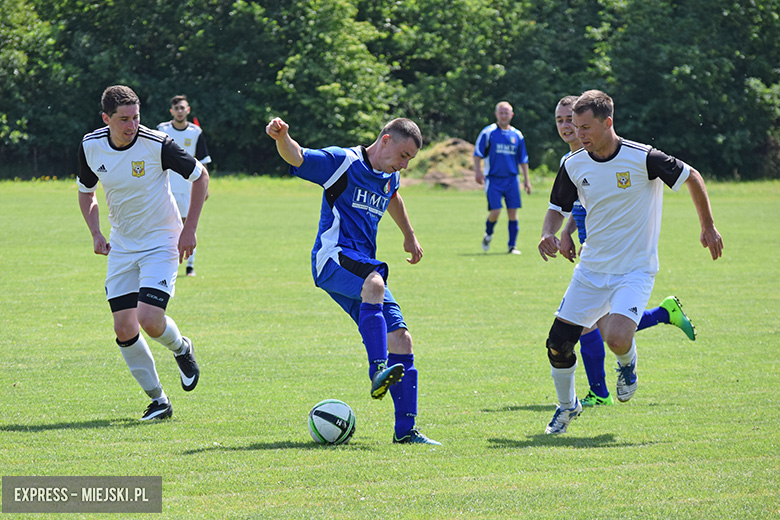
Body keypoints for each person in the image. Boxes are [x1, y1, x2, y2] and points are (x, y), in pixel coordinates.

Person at [538, 90, 723, 434]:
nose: (579, 134)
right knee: (557, 345)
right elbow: (557, 207)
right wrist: (549, 232)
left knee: (618, 338)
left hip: (634, 270)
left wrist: (708, 226)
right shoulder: (573, 164)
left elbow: (692, 177)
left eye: (586, 127)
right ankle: (567, 408)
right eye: (575, 127)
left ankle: (627, 364)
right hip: (591, 271)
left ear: (608, 122)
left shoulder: (643, 158)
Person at [265, 116, 440, 445]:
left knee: (402, 339)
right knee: (375, 283)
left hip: (360, 271)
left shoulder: (389, 177)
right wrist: (282, 137)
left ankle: (406, 432)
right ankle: (377, 370)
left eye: (410, 160)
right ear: (385, 140)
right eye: (403, 155)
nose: (404, 164)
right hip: (332, 259)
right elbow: (298, 156)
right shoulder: (343, 162)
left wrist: (409, 235)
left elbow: (393, 197)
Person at [77, 85, 209, 421]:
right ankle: (159, 401)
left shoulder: (157, 144)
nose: (131, 125)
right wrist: (95, 232)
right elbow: (86, 192)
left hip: (161, 241)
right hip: (122, 245)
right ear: (106, 119)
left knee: (149, 319)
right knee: (124, 328)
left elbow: (200, 176)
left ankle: (182, 348)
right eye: (123, 119)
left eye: (135, 117)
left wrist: (189, 228)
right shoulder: (91, 146)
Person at [157, 95, 212, 277]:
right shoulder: (161, 130)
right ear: (171, 111)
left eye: (182, 108)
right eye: (176, 108)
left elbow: (203, 162)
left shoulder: (196, 132)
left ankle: (190, 266)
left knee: (188, 226)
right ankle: (165, 264)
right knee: (165, 227)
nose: (180, 111)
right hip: (166, 188)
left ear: (188, 110)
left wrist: (205, 187)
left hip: (189, 188)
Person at [473, 101, 531, 254]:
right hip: (493, 179)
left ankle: (512, 246)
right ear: (496, 114)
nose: (504, 115)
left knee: (513, 212)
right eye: (501, 112)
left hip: (512, 179)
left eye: (507, 113)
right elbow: (478, 154)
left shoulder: (517, 135)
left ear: (511, 115)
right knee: (496, 210)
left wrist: (527, 180)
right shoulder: (488, 132)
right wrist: (478, 172)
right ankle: (488, 234)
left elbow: (523, 159)